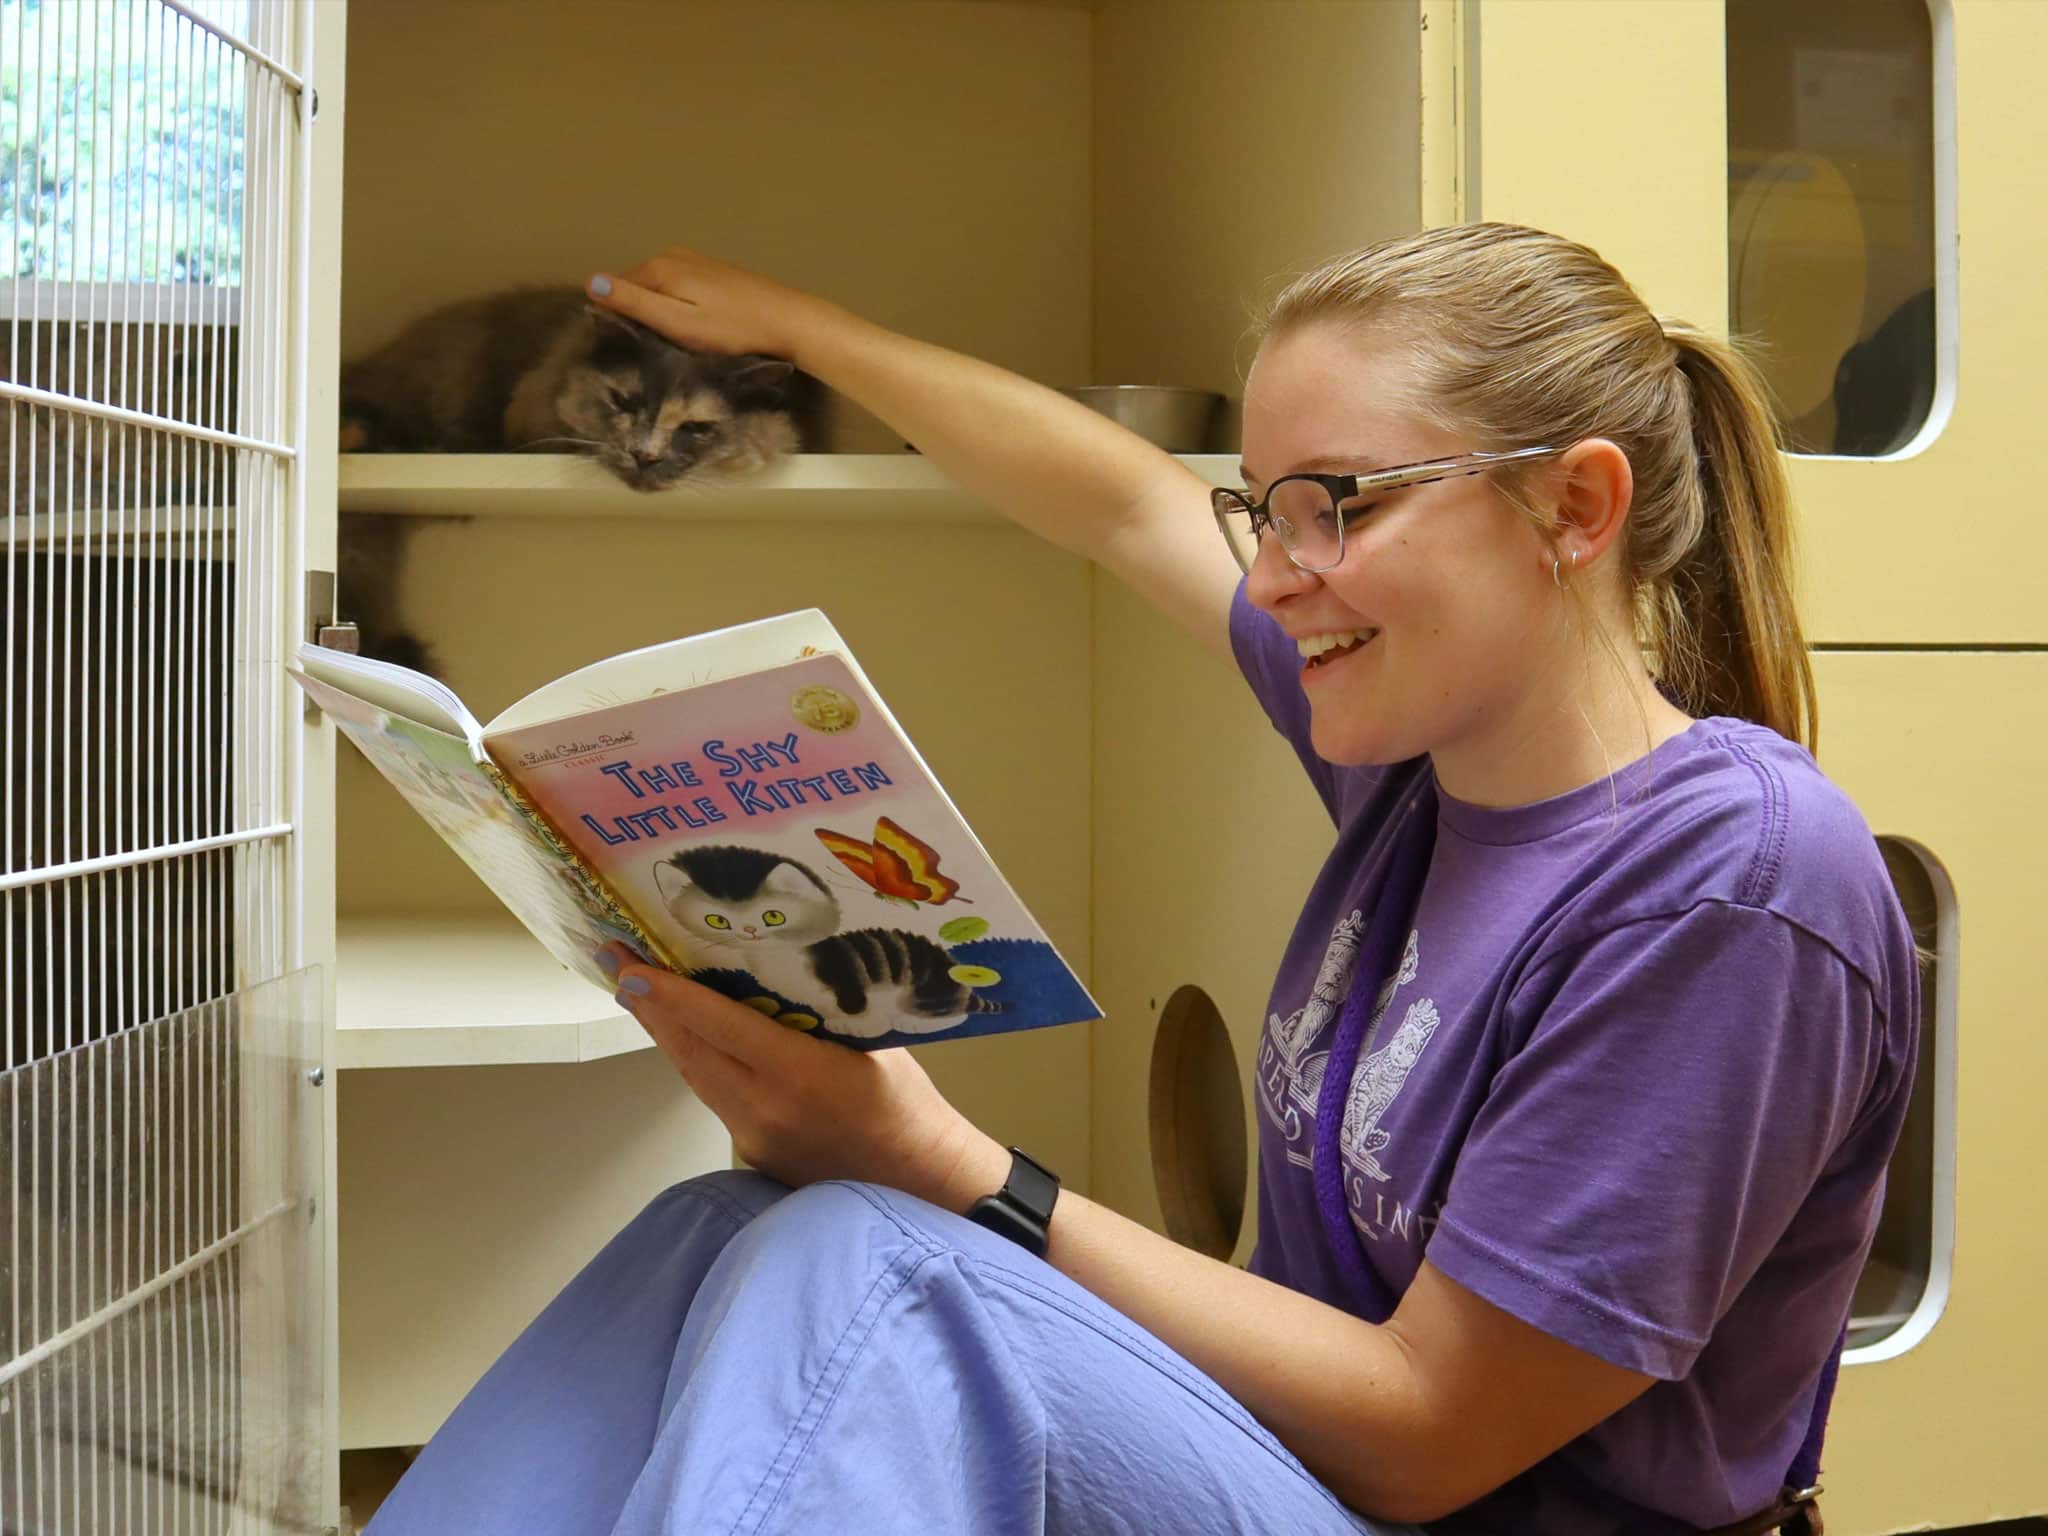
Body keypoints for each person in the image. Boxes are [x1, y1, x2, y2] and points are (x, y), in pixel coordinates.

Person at [365, 223, 1919, 1536]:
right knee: (720, 1226)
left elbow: (1433, 1433)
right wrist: (795, 329)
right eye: (1264, 509)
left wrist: (954, 1166)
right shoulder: (1418, 759)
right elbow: (1117, 498)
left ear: (1574, 509)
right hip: (1306, 1470)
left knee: (881, 1261)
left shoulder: (1734, 884)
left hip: (1430, 1499)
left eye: (1344, 506)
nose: (1271, 571)